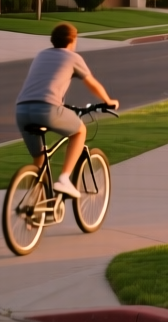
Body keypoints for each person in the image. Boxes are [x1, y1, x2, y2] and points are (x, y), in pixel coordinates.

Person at [14, 23, 118, 198]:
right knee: (80, 131)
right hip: (47, 109)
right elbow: (91, 83)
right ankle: (64, 179)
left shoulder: (41, 55)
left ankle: (34, 202)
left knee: (39, 157)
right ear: (72, 40)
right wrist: (108, 101)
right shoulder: (72, 57)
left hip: (22, 111)